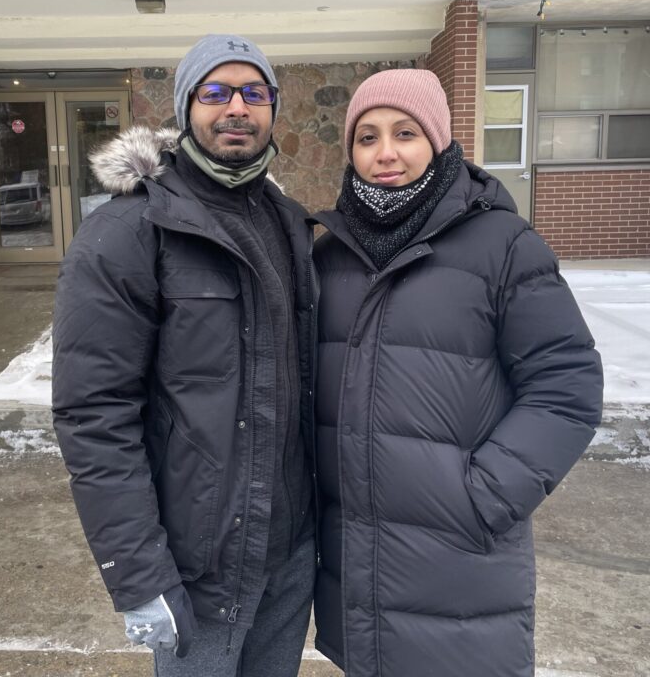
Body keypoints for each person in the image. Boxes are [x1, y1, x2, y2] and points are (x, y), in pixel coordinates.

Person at [311, 69, 603, 677]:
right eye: (367, 137)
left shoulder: (503, 245)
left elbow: (565, 384)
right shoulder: (329, 255)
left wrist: (486, 494)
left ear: (439, 141)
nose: (385, 153)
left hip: (461, 562)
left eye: (405, 133)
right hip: (356, 569)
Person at [52, 34, 317, 677]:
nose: (237, 107)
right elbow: (95, 415)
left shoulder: (287, 222)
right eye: (216, 91)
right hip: (200, 573)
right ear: (186, 107)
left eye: (254, 93)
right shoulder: (129, 230)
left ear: (273, 108)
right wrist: (138, 574)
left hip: (287, 560)